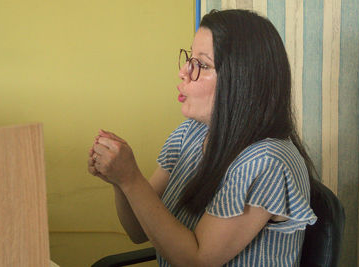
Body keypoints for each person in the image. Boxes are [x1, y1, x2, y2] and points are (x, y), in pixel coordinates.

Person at [88, 9, 317, 267]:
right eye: (189, 59)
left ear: (242, 80)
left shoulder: (267, 162)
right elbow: (138, 231)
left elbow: (196, 261)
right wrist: (119, 179)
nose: (184, 72)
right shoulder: (190, 133)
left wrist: (131, 178)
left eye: (203, 65)